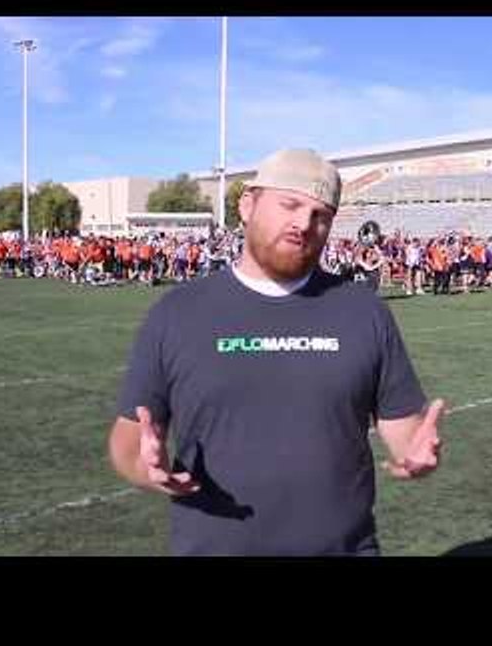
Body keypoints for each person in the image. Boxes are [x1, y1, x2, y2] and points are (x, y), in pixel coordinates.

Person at [108, 148, 446, 556]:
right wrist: (147, 468)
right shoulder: (177, 313)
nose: (304, 223)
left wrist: (417, 451)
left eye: (321, 215)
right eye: (290, 205)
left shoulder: (364, 312)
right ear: (247, 205)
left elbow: (401, 431)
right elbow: (128, 442)